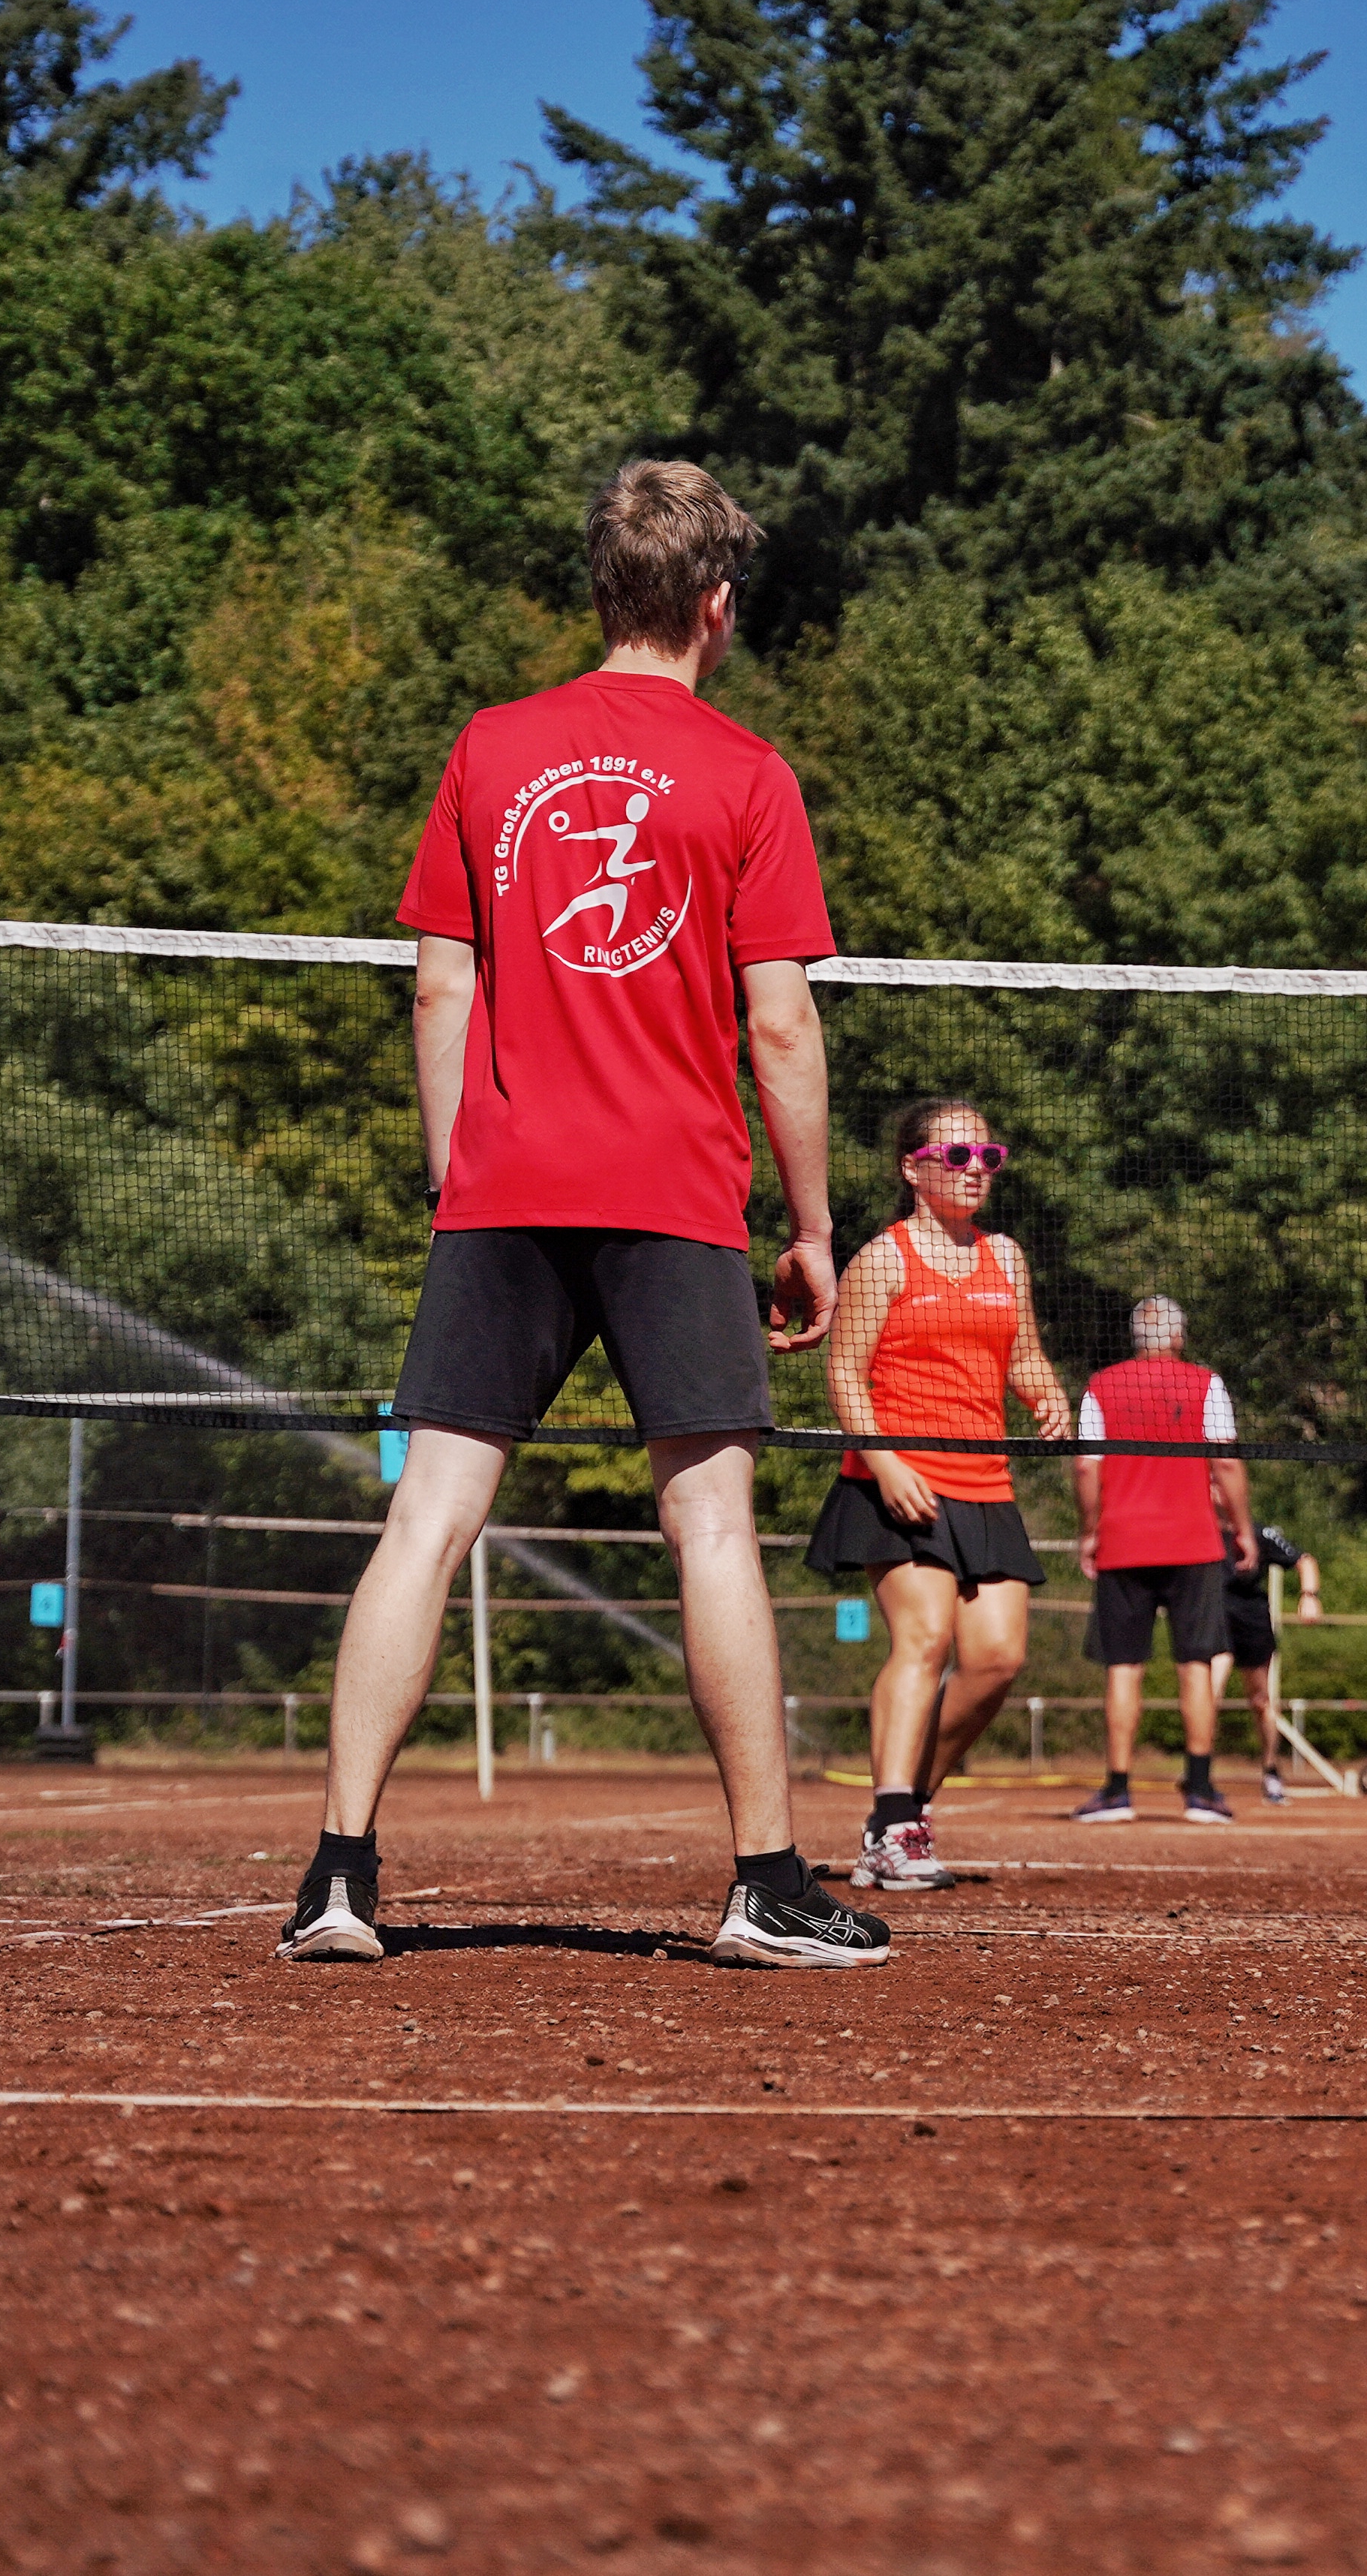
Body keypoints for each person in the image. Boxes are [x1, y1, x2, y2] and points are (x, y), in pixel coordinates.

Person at [282, 461, 884, 1970]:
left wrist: (454, 1167)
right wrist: (813, 1225)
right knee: (714, 1524)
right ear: (718, 606)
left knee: (427, 1517)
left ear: (604, 589)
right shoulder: (746, 772)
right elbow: (784, 1026)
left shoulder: (495, 747)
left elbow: (439, 981)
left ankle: (340, 1877)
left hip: (505, 1188)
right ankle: (763, 1880)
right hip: (674, 1192)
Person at [810, 1097, 1069, 1891]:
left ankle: (905, 1805)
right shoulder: (884, 1258)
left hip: (984, 1480)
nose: (974, 1172)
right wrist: (885, 1463)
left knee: (997, 1659)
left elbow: (1021, 1355)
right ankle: (894, 1823)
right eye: (956, 1157)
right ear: (912, 1168)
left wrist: (1046, 1393)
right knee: (921, 1642)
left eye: (986, 1156)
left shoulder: (1007, 1258)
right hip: (901, 1478)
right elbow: (844, 1374)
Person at [1072, 1296, 1257, 1825]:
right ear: (1179, 1337)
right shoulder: (1206, 1384)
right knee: (1196, 1663)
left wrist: (1090, 1532)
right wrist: (1243, 1529)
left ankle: (1117, 1790)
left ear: (1137, 1338)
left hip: (1123, 1541)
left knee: (1123, 1666)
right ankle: (1200, 1790)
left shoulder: (1100, 1385)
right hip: (1193, 1541)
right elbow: (1225, 1460)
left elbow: (1087, 1468)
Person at [1221, 1518, 1322, 1803]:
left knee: (1260, 1701)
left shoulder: (1257, 1532)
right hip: (1214, 1617)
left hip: (1251, 1618)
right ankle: (1198, 1771)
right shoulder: (1195, 1528)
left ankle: (1270, 1770)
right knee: (1208, 1693)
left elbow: (1304, 1560)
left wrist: (1309, 1596)